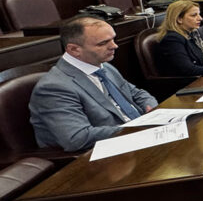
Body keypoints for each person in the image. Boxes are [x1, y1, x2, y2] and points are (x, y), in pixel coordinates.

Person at [29, 16, 158, 152]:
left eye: (113, 39)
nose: (114, 46)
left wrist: (152, 108)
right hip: (104, 152)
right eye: (103, 43)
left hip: (139, 138)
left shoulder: (103, 66)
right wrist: (137, 129)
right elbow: (77, 138)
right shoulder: (54, 88)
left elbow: (136, 93)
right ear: (74, 49)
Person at [155, 0, 203, 76]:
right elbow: (187, 69)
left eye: (199, 14)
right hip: (189, 81)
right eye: (194, 15)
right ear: (179, 19)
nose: (200, 18)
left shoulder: (192, 34)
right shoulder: (172, 39)